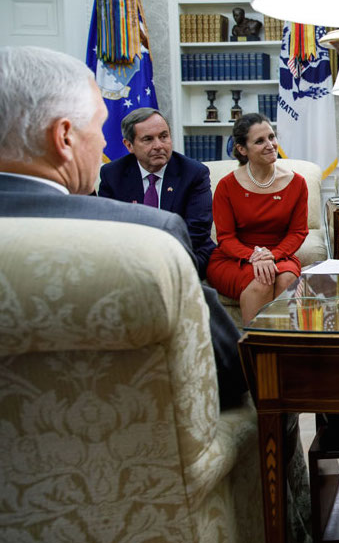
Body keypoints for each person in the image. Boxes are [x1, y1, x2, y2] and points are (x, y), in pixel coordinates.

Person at [0, 45, 246, 408]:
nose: (103, 142)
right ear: (64, 137)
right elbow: (227, 374)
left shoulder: (189, 174)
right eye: (98, 127)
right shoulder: (149, 234)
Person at [206, 113, 308, 323]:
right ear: (242, 149)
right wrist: (255, 257)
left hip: (280, 254)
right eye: (260, 141)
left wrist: (271, 255)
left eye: (271, 137)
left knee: (287, 278)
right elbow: (225, 238)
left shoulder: (297, 183)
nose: (270, 145)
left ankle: (286, 349)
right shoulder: (226, 186)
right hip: (235, 258)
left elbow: (298, 232)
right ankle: (256, 352)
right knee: (261, 281)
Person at [98, 108, 216, 277]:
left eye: (163, 136)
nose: (159, 146)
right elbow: (108, 227)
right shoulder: (112, 174)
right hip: (131, 257)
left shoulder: (194, 173)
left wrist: (156, 261)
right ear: (129, 145)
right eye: (148, 139)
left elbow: (197, 231)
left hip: (185, 253)